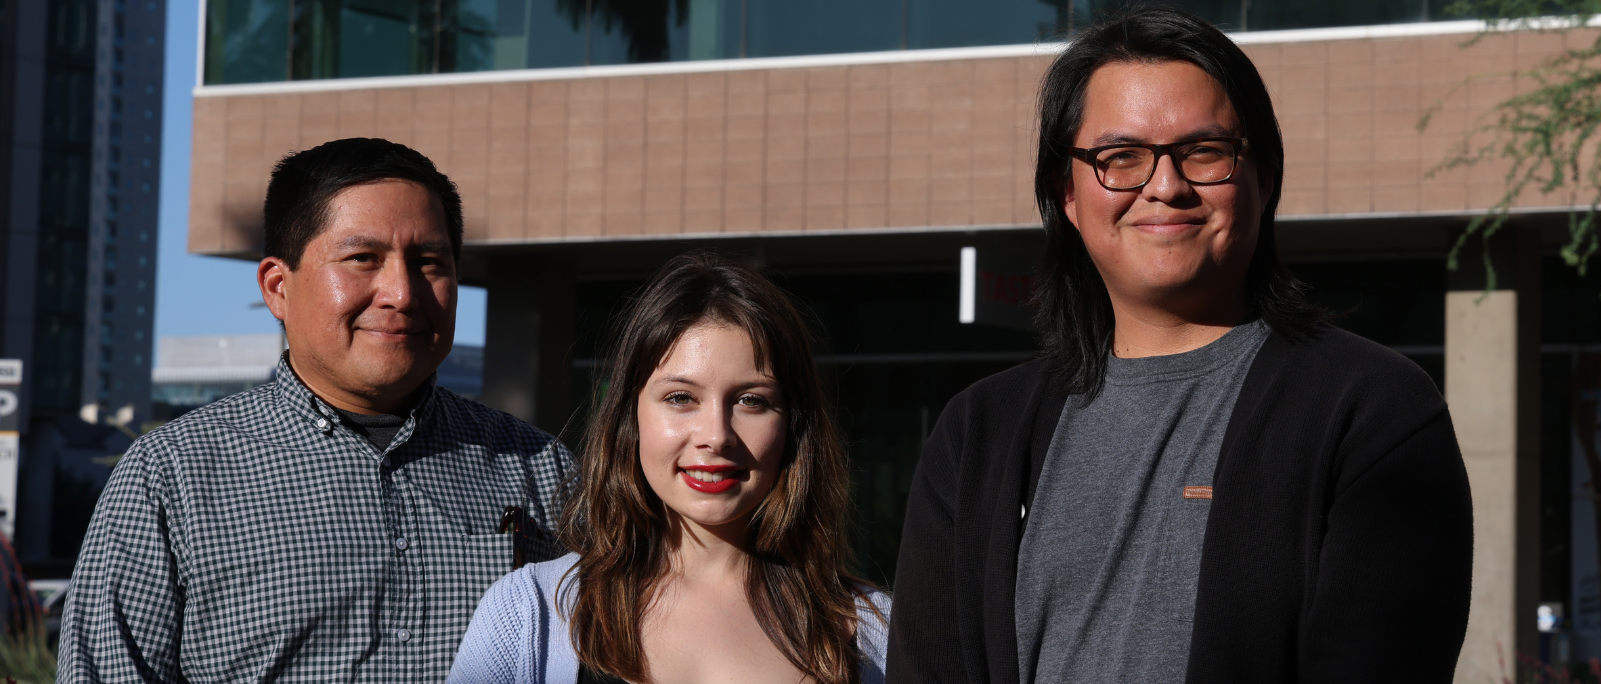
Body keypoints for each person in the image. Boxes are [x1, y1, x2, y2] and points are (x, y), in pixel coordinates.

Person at [886, 7, 1474, 683]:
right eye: (1121, 158)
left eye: (1204, 152)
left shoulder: (1372, 410)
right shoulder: (976, 436)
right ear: (1068, 195)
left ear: (1265, 178)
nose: (1165, 187)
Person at [58, 138, 573, 682]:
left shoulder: (540, 467)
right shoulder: (172, 475)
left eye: (428, 262)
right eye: (362, 259)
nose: (401, 292)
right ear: (278, 287)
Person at [449, 251, 888, 684]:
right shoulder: (530, 613)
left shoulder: (879, 632)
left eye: (751, 400)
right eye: (681, 398)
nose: (716, 435)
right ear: (630, 416)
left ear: (793, 425)